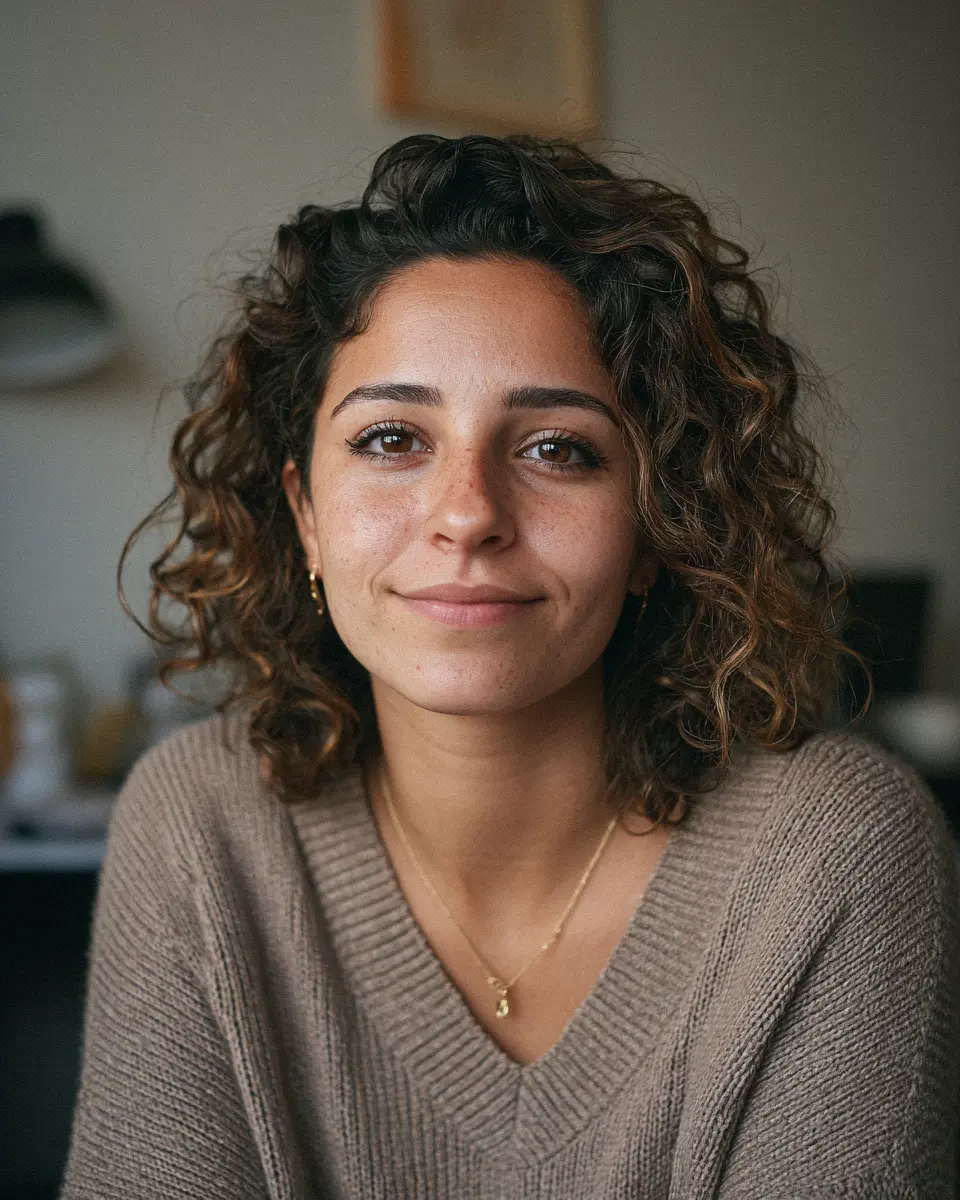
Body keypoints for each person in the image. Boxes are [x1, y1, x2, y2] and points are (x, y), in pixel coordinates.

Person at [60, 133, 959, 1199]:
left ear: (655, 530)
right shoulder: (199, 825)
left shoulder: (834, 855)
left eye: (557, 448)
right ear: (305, 518)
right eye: (393, 438)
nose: (468, 515)